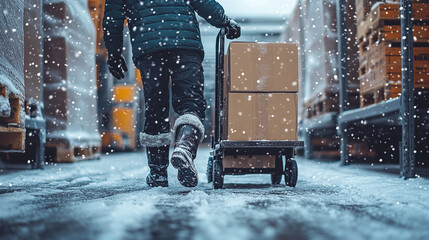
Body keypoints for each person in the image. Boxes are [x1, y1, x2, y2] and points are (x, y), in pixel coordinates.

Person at [103, 0, 240, 188]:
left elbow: (113, 18)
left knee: (155, 108)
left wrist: (114, 54)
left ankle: (158, 172)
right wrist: (224, 21)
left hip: (148, 47)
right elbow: (203, 2)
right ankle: (184, 146)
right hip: (184, 43)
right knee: (191, 103)